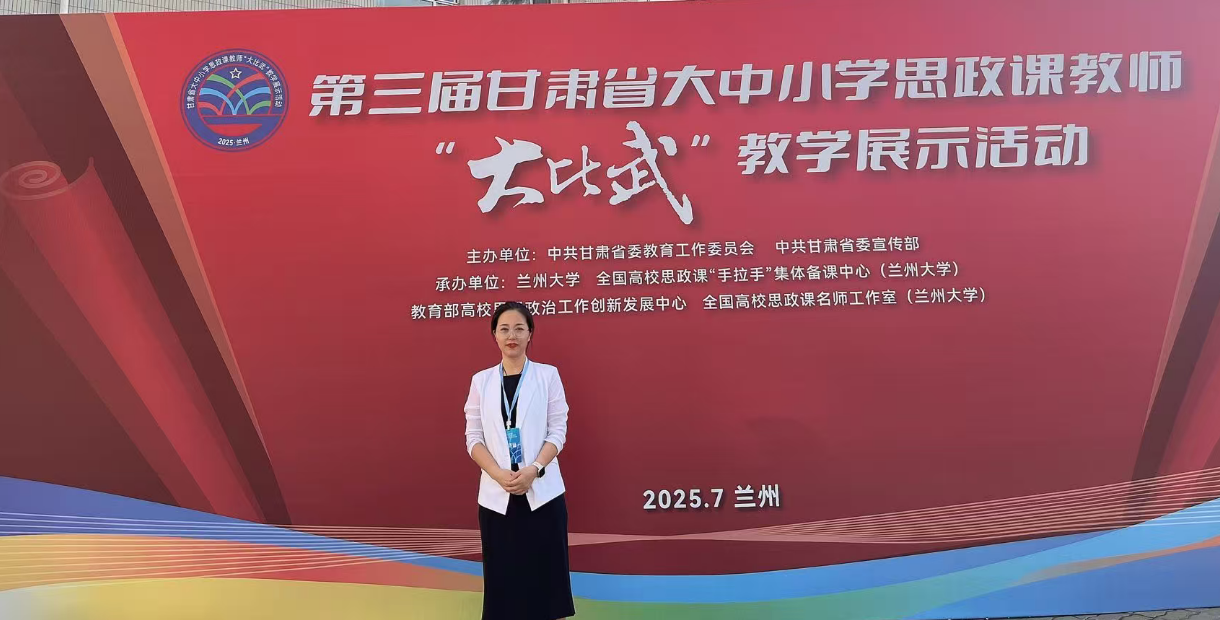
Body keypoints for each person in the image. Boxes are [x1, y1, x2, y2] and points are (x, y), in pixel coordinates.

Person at [464, 301, 575, 620]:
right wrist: (498, 474)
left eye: (519, 329)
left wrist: (534, 469)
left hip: (543, 495)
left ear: (530, 334)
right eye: (504, 329)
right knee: (504, 585)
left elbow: (558, 430)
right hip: (497, 497)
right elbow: (473, 437)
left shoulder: (547, 376)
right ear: (494, 335)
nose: (511, 335)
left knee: (546, 584)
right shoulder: (481, 381)